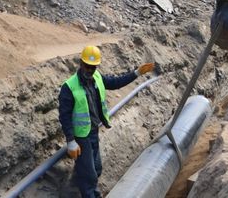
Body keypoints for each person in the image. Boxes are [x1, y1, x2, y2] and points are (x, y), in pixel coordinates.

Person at [58, 45, 156, 198]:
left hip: (93, 131)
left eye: (93, 67)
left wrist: (136, 73)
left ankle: (78, 187)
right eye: (88, 66)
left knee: (96, 168)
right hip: (81, 137)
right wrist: (71, 140)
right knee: (90, 175)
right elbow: (64, 116)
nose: (90, 70)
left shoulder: (97, 77)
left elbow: (115, 83)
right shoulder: (69, 87)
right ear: (81, 63)